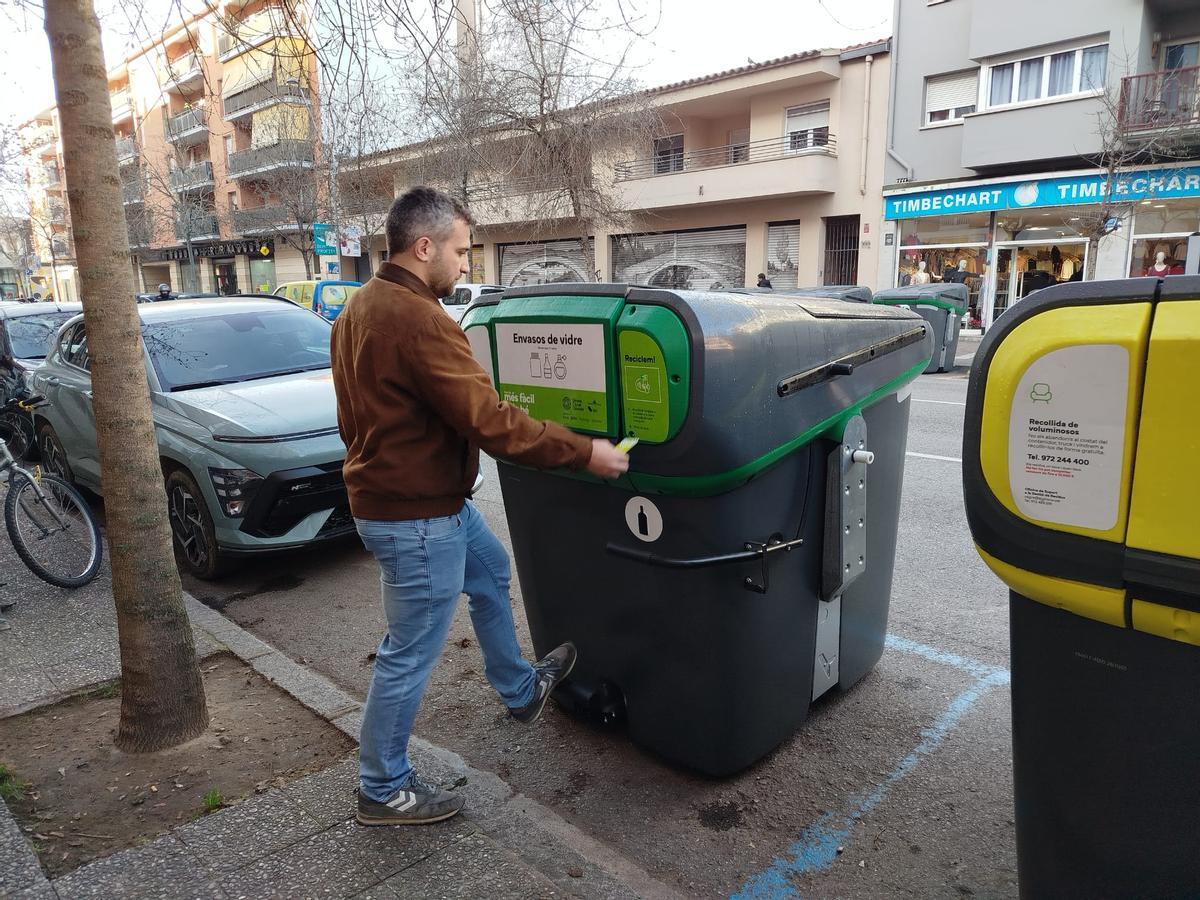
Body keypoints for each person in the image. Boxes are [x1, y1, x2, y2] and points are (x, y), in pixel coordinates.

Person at [331, 187, 630, 827]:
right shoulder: (420, 319)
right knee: (408, 651)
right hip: (414, 515)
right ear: (424, 247)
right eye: (462, 252)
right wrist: (586, 453)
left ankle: (521, 690)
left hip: (422, 501)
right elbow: (489, 420)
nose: (467, 265)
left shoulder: (361, 306)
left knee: (491, 571)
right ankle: (382, 788)